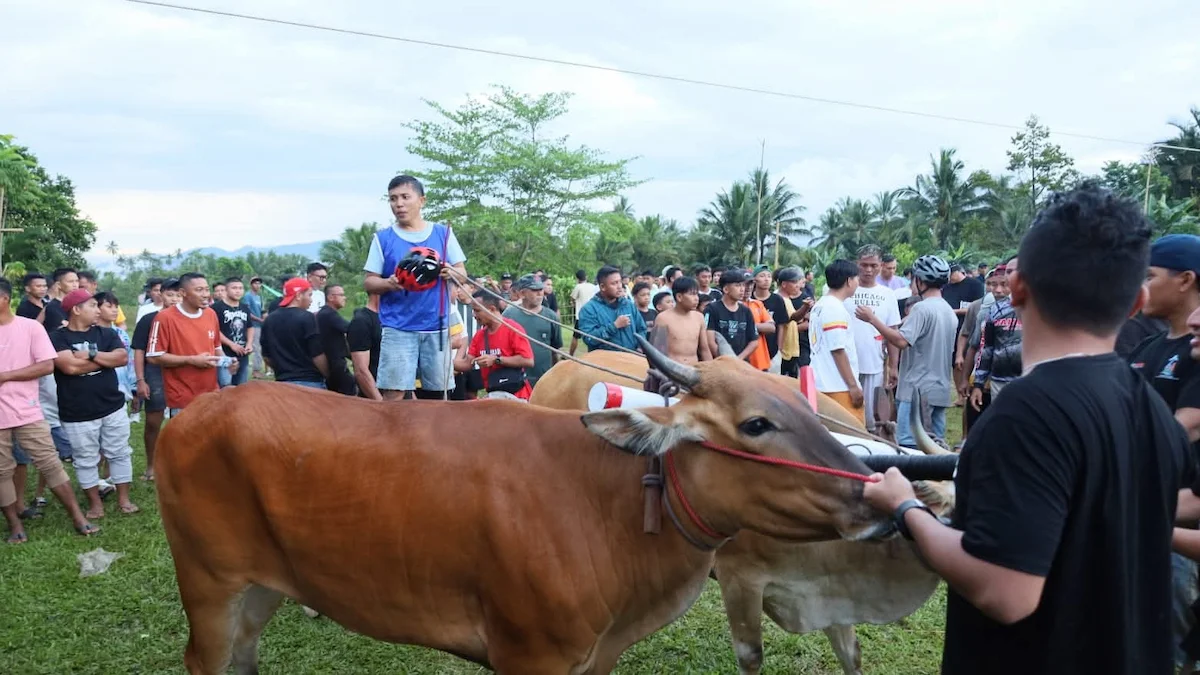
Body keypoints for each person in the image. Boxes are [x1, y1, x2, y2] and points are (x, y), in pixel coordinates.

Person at [863, 184, 1191, 675]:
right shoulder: (1149, 404)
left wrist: (905, 508)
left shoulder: (1026, 414)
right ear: (1136, 302)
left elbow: (1005, 591)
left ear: (1017, 291)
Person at [1126, 234, 1200, 667]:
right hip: (1138, 515)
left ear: (1186, 279)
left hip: (1178, 527)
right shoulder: (1146, 349)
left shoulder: (1195, 356)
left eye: (1150, 277)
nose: (1142, 287)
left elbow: (1185, 427)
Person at [0, 278, 98, 543]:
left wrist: (5, 376)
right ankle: (14, 524)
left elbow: (46, 365)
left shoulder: (30, 328)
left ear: (4, 299)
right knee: (2, 471)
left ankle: (78, 517)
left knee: (49, 462)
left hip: (27, 410)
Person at [363, 175, 466, 400]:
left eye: (405, 197)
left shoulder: (443, 234)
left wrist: (452, 272)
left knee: (440, 393)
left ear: (421, 200)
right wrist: (388, 283)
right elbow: (369, 281)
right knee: (394, 393)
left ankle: (435, 436)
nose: (398, 204)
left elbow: (462, 272)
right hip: (398, 327)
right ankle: (392, 435)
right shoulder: (383, 238)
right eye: (392, 199)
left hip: (437, 326)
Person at [50, 289, 138, 519]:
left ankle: (124, 499)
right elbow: (68, 367)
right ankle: (95, 503)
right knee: (85, 459)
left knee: (119, 452)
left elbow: (121, 358)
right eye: (92, 305)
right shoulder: (57, 337)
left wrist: (88, 354)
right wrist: (103, 360)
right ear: (76, 310)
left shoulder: (106, 333)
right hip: (77, 411)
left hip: (112, 406)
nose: (98, 310)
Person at [856, 255, 957, 447]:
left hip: (917, 392)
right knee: (935, 446)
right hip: (940, 390)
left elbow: (901, 341)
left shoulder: (921, 308)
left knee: (909, 446)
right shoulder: (947, 310)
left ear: (919, 281)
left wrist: (873, 319)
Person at [146, 273, 229, 417]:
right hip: (182, 398)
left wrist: (227, 361)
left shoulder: (211, 314)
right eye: (199, 290)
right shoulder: (165, 318)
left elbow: (216, 347)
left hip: (211, 394)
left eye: (206, 289)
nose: (205, 295)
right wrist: (191, 360)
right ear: (183, 293)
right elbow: (154, 357)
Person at [131, 277, 181, 481]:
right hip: (155, 372)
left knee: (182, 421)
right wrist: (140, 380)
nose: (175, 299)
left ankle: (180, 465)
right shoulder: (149, 319)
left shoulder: (192, 318)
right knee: (153, 421)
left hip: (181, 371)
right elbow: (139, 351)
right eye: (170, 294)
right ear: (161, 295)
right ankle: (151, 465)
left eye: (179, 295)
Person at [846, 246, 901, 430]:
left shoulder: (888, 295)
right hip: (845, 364)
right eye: (864, 265)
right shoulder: (843, 291)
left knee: (871, 417)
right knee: (846, 416)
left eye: (873, 265)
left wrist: (893, 366)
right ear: (857, 265)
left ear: (880, 266)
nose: (868, 270)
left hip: (873, 363)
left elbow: (892, 330)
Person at [456, 290, 535, 400]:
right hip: (494, 396)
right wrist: (444, 364)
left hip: (517, 396)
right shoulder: (479, 336)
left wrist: (496, 360)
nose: (474, 315)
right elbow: (467, 364)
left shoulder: (513, 329)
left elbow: (528, 360)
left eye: (477, 310)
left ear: (492, 309)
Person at [810, 260, 863, 420]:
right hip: (837, 386)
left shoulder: (820, 305)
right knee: (853, 436)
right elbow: (838, 350)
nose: (858, 283)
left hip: (821, 383)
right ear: (848, 281)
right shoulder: (834, 308)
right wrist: (853, 386)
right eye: (856, 278)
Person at [971, 257, 1023, 406]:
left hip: (1032, 381)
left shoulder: (1041, 307)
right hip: (999, 382)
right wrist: (978, 384)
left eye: (1017, 270)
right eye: (1009, 271)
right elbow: (986, 348)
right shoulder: (995, 309)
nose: (1012, 275)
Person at [260, 278, 327, 389]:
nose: (311, 300)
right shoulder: (307, 317)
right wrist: (328, 374)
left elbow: (267, 357)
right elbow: (317, 354)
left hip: (282, 383)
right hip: (310, 382)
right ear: (299, 295)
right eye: (309, 295)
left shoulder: (269, 319)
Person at [501, 275, 562, 387]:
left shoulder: (551, 317)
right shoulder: (508, 315)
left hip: (543, 379)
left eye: (541, 289)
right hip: (515, 378)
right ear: (523, 293)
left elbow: (555, 349)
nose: (540, 293)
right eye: (534, 290)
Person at [577, 265, 647, 352]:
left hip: (631, 358)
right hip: (605, 362)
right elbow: (589, 339)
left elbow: (642, 329)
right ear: (602, 287)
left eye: (620, 282)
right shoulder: (589, 309)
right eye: (614, 283)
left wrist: (640, 347)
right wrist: (614, 326)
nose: (619, 286)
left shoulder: (628, 305)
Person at [649, 276, 712, 364]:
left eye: (697, 294)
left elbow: (704, 349)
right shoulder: (663, 318)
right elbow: (656, 352)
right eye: (692, 294)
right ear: (679, 297)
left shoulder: (699, 317)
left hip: (694, 370)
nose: (696, 298)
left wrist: (711, 369)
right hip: (671, 371)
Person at [705, 269, 758, 363]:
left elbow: (754, 341)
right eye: (737, 285)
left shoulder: (746, 311)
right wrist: (726, 360)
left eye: (743, 285)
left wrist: (738, 360)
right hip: (719, 363)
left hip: (741, 363)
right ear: (726, 289)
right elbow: (710, 341)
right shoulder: (711, 309)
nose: (742, 289)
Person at [211, 277, 253, 388]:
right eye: (234, 288)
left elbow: (250, 327)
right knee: (225, 386)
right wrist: (231, 344)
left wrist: (249, 344)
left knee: (242, 386)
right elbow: (214, 330)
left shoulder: (245, 308)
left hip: (243, 353)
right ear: (226, 290)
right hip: (224, 353)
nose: (238, 291)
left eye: (240, 288)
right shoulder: (215, 308)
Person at [751, 265, 790, 373]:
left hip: (773, 350)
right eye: (762, 276)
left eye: (769, 276)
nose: (766, 279)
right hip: (754, 351)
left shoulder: (777, 299)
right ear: (754, 279)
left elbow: (781, 326)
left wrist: (779, 348)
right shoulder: (750, 300)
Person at [316, 285, 354, 395]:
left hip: (332, 361)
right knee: (348, 392)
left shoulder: (326, 313)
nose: (344, 298)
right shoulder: (328, 314)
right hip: (334, 363)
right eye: (341, 295)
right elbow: (350, 329)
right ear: (331, 297)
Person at [775, 267, 813, 376]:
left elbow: (793, 317)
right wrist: (779, 349)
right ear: (784, 284)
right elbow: (785, 323)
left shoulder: (787, 299)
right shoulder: (779, 299)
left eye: (798, 282)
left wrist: (805, 307)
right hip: (783, 350)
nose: (797, 285)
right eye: (794, 282)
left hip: (792, 348)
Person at [348, 292, 383, 401]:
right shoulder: (361, 321)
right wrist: (381, 404)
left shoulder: (393, 319)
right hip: (377, 399)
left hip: (399, 393)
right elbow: (361, 371)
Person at [742, 277, 774, 372]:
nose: (748, 288)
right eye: (744, 284)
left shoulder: (757, 304)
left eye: (750, 284)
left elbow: (771, 327)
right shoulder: (731, 306)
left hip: (760, 360)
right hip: (741, 361)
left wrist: (747, 325)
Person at [246, 276, 266, 377]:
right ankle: (256, 370)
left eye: (259, 283)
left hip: (259, 325)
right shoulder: (248, 296)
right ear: (251, 285)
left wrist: (264, 318)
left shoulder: (259, 297)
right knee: (256, 348)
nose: (257, 285)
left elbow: (262, 310)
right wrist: (259, 320)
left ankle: (255, 369)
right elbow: (248, 312)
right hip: (252, 325)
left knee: (258, 347)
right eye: (255, 283)